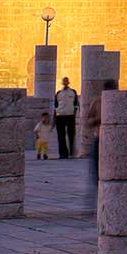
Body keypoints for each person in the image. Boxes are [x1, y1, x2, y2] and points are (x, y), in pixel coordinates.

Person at [81, 79, 115, 212]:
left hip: (114, 141)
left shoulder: (120, 101)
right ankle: (97, 204)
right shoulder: (98, 101)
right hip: (99, 139)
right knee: (96, 174)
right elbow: (88, 120)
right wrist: (99, 120)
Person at [53, 77, 79, 159]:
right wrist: (54, 119)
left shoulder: (73, 92)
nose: (65, 82)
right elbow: (55, 106)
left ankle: (72, 153)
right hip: (60, 116)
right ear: (62, 82)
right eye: (63, 81)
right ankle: (62, 154)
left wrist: (74, 114)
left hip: (70, 116)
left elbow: (76, 104)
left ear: (68, 82)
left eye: (66, 81)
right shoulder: (58, 93)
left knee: (71, 135)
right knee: (61, 136)